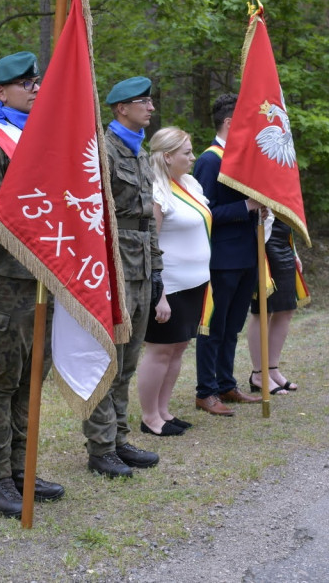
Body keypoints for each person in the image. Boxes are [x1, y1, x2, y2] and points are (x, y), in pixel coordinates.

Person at [0, 51, 65, 519]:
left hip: (44, 279)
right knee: (3, 380)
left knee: (32, 378)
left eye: (37, 82)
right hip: (5, 281)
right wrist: (35, 226)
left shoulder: (43, 138)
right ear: (1, 91)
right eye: (24, 84)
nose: (35, 89)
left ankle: (23, 470)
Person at [83, 76, 162, 478]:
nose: (150, 108)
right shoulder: (102, 151)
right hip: (111, 268)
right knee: (107, 360)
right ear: (121, 109)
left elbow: (147, 217)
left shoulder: (140, 153)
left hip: (141, 268)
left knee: (128, 361)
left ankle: (118, 438)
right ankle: (100, 447)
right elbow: (92, 216)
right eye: (142, 102)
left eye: (150, 101)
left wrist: (158, 269)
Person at [193, 92, 263, 417]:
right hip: (221, 258)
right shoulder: (210, 159)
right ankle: (205, 391)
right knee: (213, 328)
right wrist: (246, 207)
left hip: (246, 255)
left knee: (233, 326)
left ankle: (226, 384)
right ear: (229, 122)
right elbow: (203, 212)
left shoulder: (241, 157)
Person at [136, 127, 210, 436]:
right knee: (160, 350)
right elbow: (151, 246)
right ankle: (149, 416)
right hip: (170, 287)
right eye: (187, 153)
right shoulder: (156, 191)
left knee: (179, 348)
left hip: (195, 284)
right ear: (167, 157)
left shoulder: (189, 183)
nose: (193, 158)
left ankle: (164, 411)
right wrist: (160, 294)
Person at [246, 217, 302, 394]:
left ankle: (272, 369)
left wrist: (294, 251)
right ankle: (258, 374)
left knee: (286, 309)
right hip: (260, 238)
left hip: (283, 239)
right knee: (262, 310)